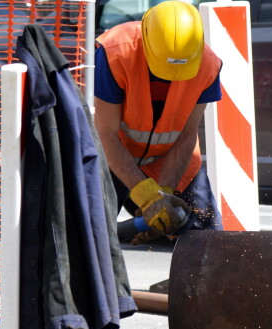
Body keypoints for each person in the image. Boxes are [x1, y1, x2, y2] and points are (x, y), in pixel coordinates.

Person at [94, 0, 223, 244]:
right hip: (114, 155)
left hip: (172, 155)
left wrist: (163, 195)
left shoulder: (208, 65)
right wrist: (147, 196)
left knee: (207, 242)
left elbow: (187, 134)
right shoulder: (115, 52)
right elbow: (106, 134)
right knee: (86, 237)